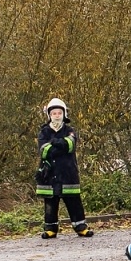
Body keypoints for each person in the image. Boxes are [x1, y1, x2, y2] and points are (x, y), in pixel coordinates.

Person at [36, 97, 93, 239]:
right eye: (54, 113)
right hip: (50, 173)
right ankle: (51, 228)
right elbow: (44, 151)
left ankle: (80, 226)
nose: (56, 115)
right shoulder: (44, 131)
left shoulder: (70, 130)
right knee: (50, 202)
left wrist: (55, 144)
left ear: (64, 114)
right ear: (49, 115)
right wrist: (60, 145)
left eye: (59, 113)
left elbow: (71, 145)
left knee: (74, 200)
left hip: (68, 172)